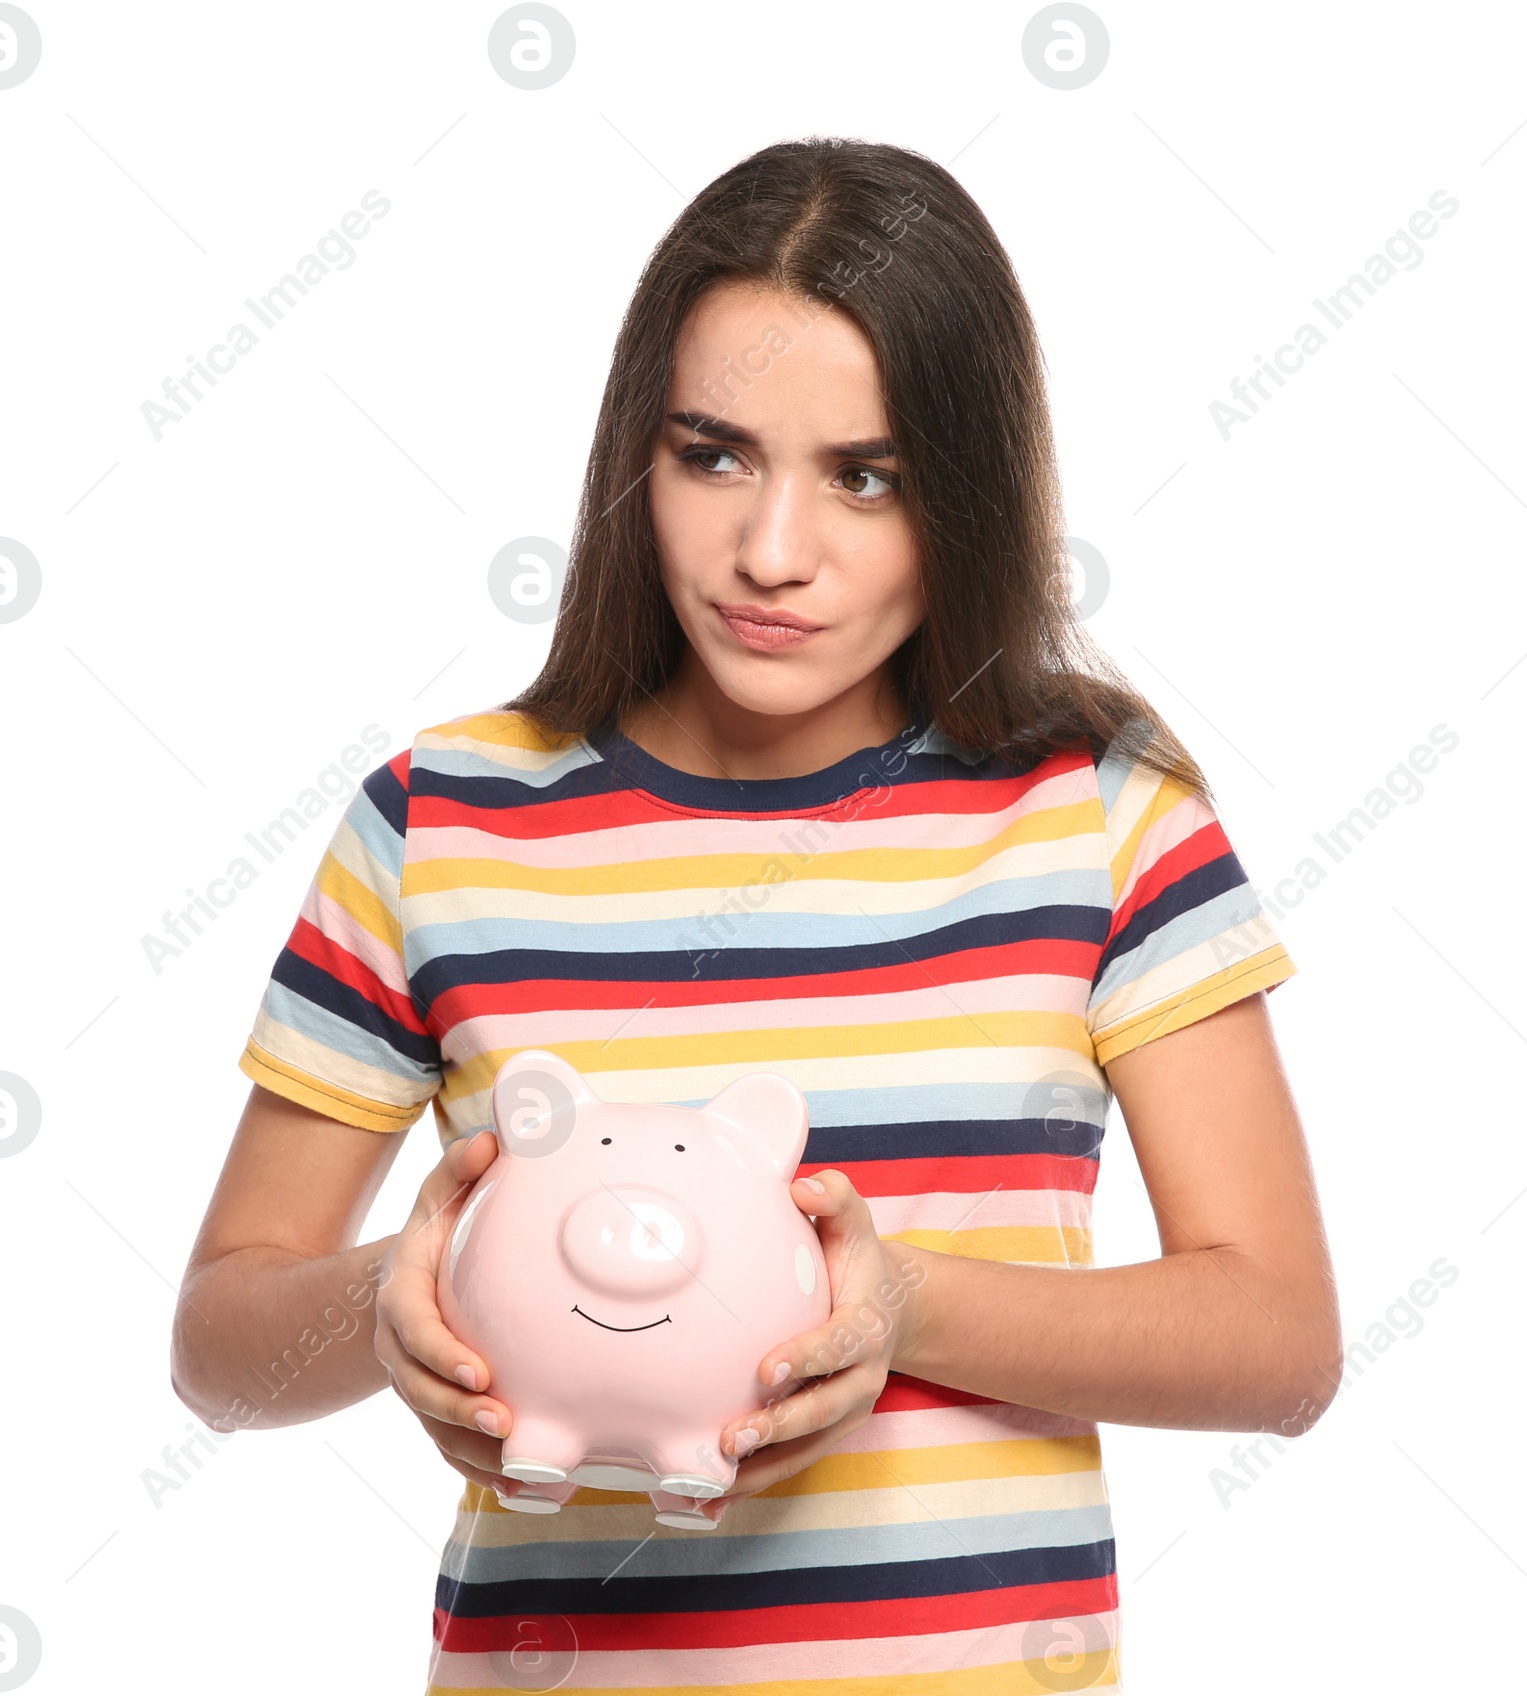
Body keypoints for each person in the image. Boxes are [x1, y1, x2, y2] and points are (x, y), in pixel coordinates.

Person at [172, 136, 1341, 1694]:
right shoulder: (437, 823)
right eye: (712, 453)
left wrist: (904, 1306)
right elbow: (219, 1349)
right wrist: (393, 1302)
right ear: (631, 458)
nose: (772, 553)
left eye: (867, 477)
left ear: (971, 496)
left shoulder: (1097, 812)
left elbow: (1278, 1343)